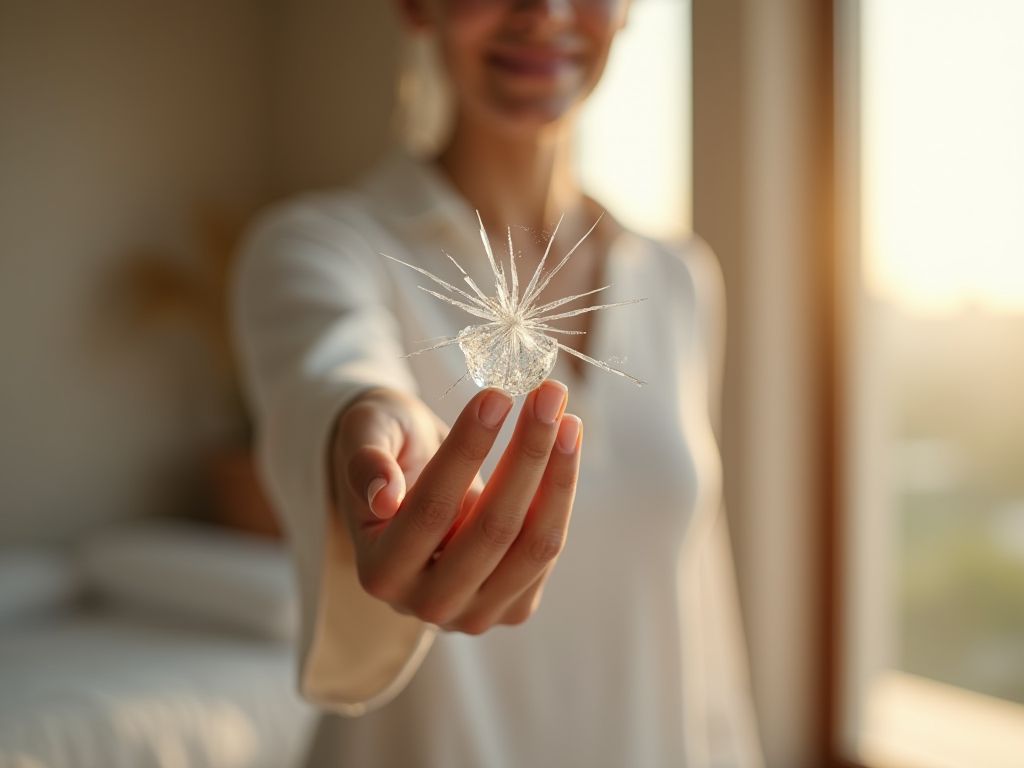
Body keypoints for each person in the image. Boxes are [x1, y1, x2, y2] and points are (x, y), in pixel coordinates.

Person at [232, 0, 763, 765]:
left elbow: (702, 617)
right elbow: (337, 370)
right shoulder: (320, 247)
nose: (543, 12)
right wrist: (373, 421)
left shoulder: (678, 278)